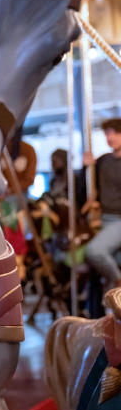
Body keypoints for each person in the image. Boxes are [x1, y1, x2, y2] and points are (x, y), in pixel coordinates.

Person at [83, 118, 121, 295]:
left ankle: (118, 285)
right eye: (107, 133)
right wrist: (86, 168)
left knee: (95, 251)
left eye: (115, 132)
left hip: (119, 219)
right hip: (103, 218)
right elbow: (87, 187)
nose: (110, 137)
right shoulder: (104, 160)